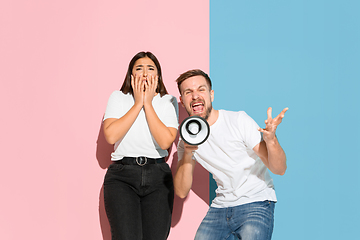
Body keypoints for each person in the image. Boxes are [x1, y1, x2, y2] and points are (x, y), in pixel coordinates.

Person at [174, 69, 288, 240]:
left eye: (201, 89)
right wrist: (188, 152)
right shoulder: (186, 138)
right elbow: (181, 191)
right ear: (182, 102)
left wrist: (271, 140)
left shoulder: (238, 121)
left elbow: (279, 169)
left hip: (255, 201)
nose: (195, 96)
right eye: (188, 92)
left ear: (211, 95)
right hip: (220, 207)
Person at [102, 51, 178, 240]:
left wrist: (148, 104)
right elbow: (111, 136)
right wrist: (138, 103)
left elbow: (165, 141)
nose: (145, 73)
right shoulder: (118, 97)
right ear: (131, 75)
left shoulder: (168, 101)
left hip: (158, 176)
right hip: (122, 176)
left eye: (150, 68)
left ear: (158, 76)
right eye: (139, 68)